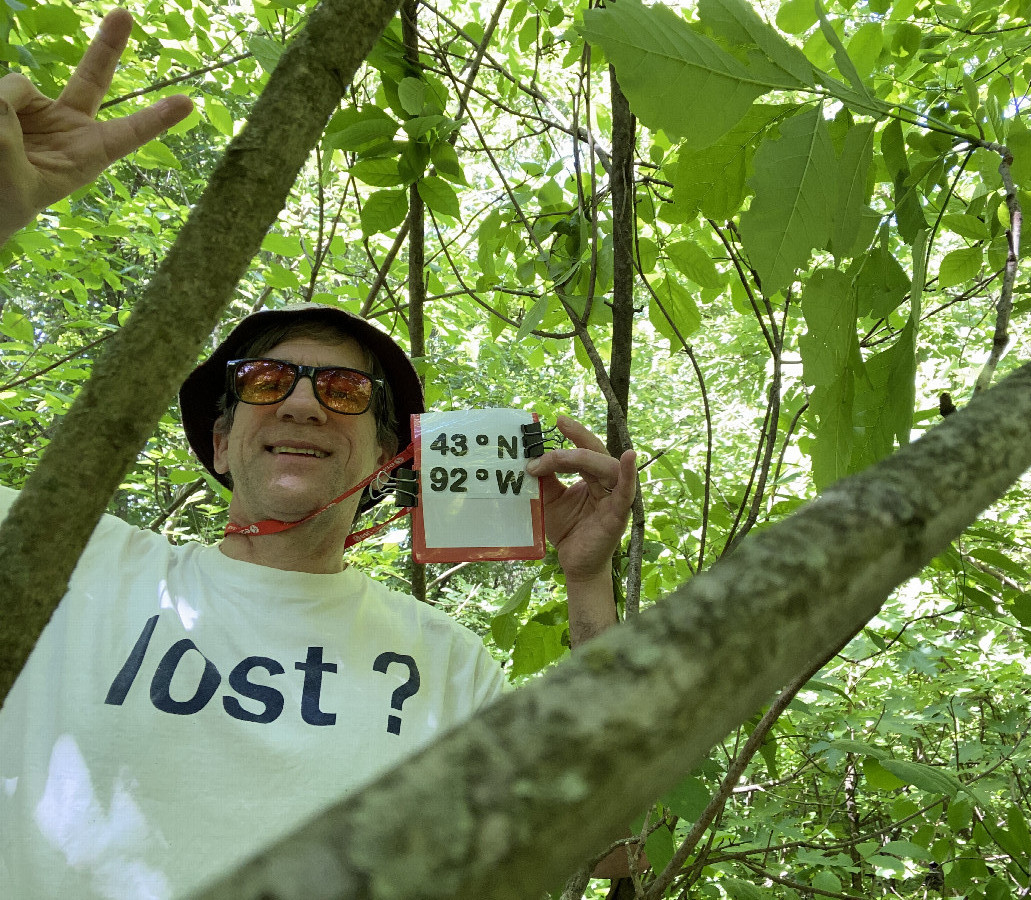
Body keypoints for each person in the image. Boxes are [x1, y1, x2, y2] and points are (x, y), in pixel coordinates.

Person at [0, 10, 638, 898]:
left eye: (342, 392)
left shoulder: (445, 663)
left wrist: (588, 589)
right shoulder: (67, 563)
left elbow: (596, 840)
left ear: (387, 451)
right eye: (265, 381)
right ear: (223, 441)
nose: (301, 399)